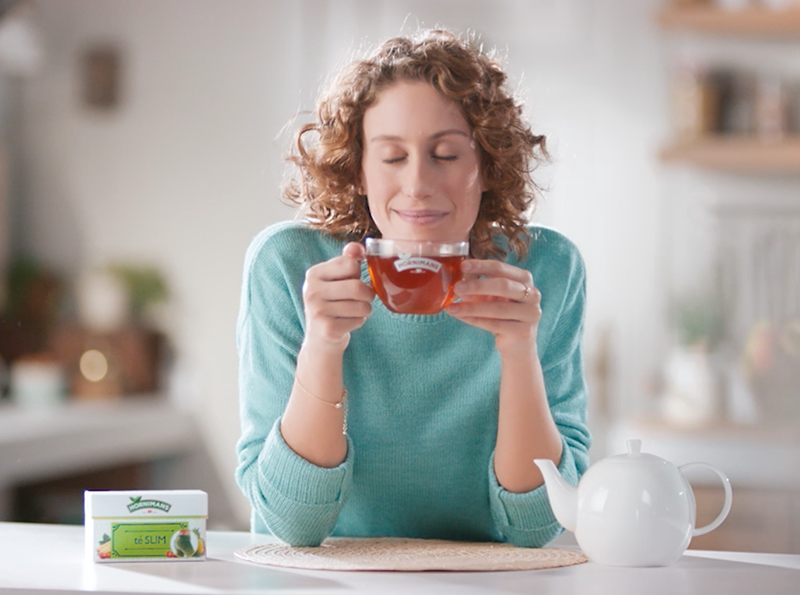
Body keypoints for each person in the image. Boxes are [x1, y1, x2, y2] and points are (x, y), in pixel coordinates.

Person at [235, 28, 591, 548]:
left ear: (487, 165)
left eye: (446, 154)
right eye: (392, 156)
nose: (419, 183)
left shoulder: (547, 270)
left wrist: (518, 352)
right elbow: (292, 526)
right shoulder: (290, 266)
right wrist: (323, 344)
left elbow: (535, 527)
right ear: (357, 169)